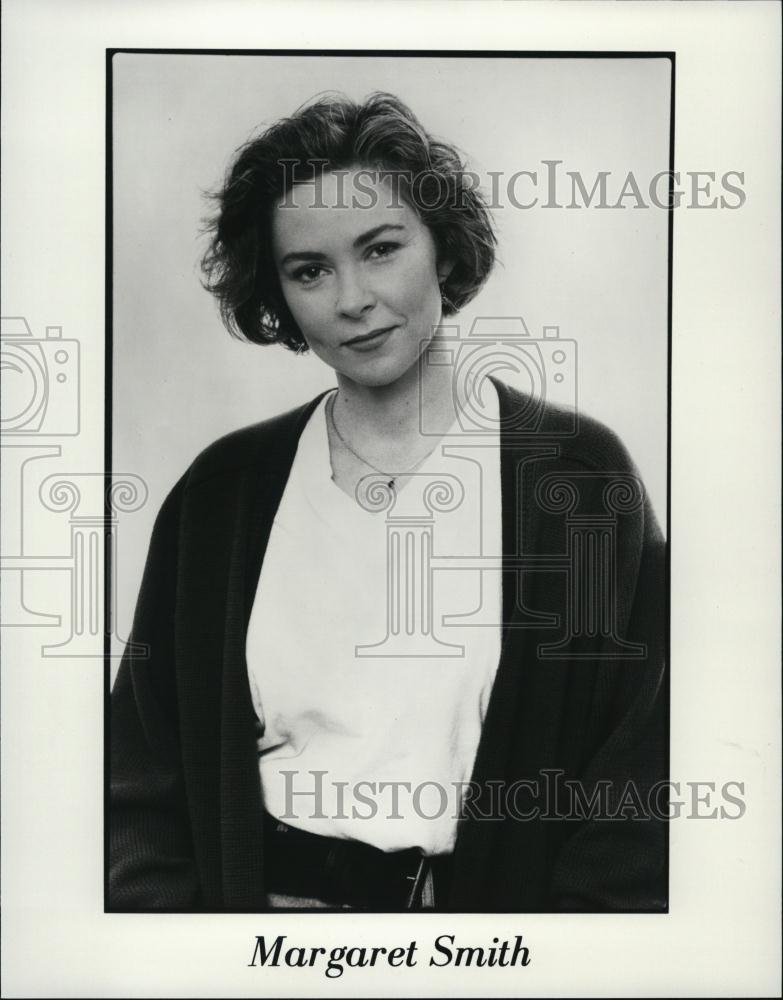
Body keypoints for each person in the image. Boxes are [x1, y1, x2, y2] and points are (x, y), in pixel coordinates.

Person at [109, 92, 668, 912]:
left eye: (380, 249)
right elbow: (139, 779)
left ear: (441, 249)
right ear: (278, 292)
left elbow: (636, 779)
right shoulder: (221, 497)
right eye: (310, 270)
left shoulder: (579, 481)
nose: (351, 299)